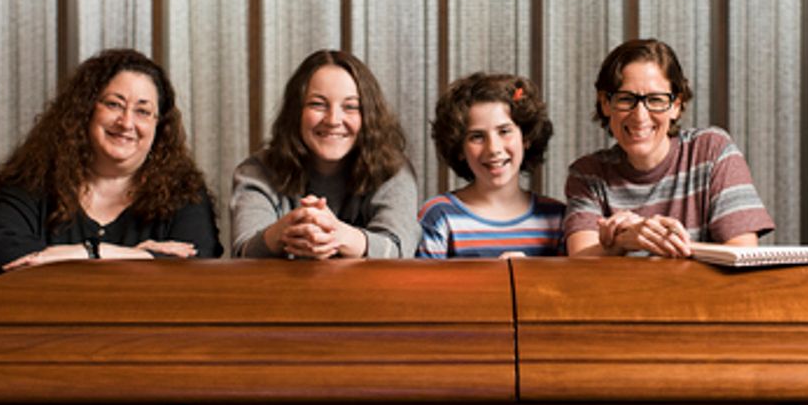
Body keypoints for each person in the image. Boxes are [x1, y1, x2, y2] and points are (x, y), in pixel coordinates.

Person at [0, 48, 221, 277]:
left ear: (158, 126)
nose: (126, 123)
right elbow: (2, 256)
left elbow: (197, 268)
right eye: (114, 104)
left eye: (143, 111)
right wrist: (142, 257)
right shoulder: (33, 180)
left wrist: (89, 253)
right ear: (85, 111)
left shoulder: (184, 193)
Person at [564, 38, 774, 257]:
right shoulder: (588, 174)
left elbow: (744, 253)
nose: (640, 116)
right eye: (626, 99)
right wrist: (625, 241)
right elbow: (581, 258)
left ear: (676, 105)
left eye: (655, 100)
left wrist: (652, 239)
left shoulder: (711, 151)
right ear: (606, 104)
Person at [231, 49, 418, 259]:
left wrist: (338, 235)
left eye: (350, 107)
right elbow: (242, 251)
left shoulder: (393, 170)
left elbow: (399, 250)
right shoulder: (256, 171)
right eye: (318, 104)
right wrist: (286, 231)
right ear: (296, 112)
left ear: (368, 116)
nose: (333, 120)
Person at [417, 73, 564, 258]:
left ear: (526, 137)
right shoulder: (439, 216)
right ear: (459, 148)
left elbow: (572, 286)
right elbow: (425, 286)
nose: (493, 148)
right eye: (477, 136)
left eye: (504, 131)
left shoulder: (556, 218)